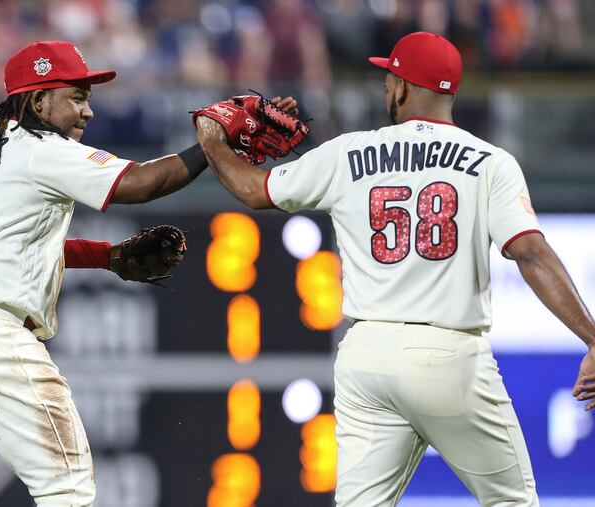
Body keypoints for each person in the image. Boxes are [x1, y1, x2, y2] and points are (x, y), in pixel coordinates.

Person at [0, 40, 290, 507]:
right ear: (37, 101)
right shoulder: (38, 147)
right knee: (66, 487)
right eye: (76, 97)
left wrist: (107, 257)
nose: (87, 111)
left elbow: (20, 247)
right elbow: (140, 183)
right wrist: (213, 142)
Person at [196, 31, 595, 506]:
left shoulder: (347, 152)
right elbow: (529, 252)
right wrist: (592, 338)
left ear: (403, 87)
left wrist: (212, 138)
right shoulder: (492, 162)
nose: (386, 89)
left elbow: (251, 189)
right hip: (448, 352)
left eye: (389, 78)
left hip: (367, 353)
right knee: (513, 502)